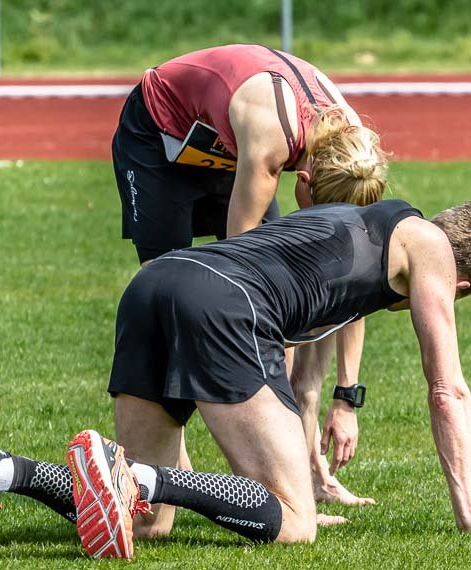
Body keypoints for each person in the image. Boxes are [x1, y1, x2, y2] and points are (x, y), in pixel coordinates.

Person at [0, 198, 471, 556]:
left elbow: (305, 353)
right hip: (224, 301)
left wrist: (307, 457)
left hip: (155, 282)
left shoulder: (360, 222)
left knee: (146, 519)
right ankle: (133, 473)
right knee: (293, 526)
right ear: (460, 285)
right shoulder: (431, 248)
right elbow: (446, 388)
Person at [112, 43, 388, 507]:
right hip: (160, 138)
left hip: (226, 139)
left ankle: (308, 473)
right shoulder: (268, 150)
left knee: (285, 302)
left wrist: (346, 395)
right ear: (303, 182)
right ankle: (172, 470)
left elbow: (351, 280)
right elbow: (236, 277)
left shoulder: (356, 150)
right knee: (176, 292)